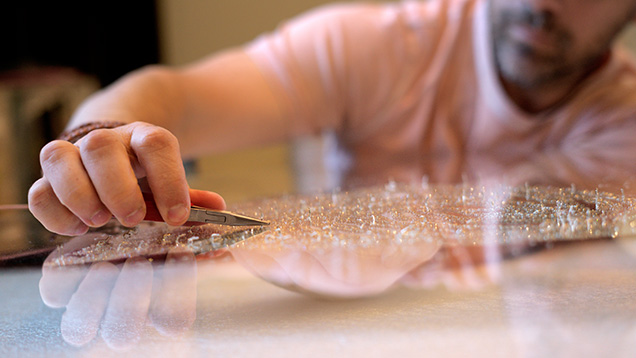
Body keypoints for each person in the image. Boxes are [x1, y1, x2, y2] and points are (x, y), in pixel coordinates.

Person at [28, 0, 636, 235]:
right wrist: (100, 143)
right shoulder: (380, 45)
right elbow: (177, 95)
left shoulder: (625, 122)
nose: (546, 5)